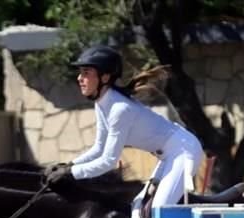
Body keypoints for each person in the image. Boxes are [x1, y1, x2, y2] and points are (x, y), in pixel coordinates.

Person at [44, 45, 204, 209]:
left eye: (86, 73)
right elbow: (99, 148)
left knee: (158, 210)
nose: (79, 78)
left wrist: (72, 173)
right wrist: (69, 165)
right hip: (169, 155)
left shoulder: (119, 109)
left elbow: (108, 161)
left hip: (184, 151)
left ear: (105, 78)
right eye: (80, 73)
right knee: (139, 207)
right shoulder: (103, 103)